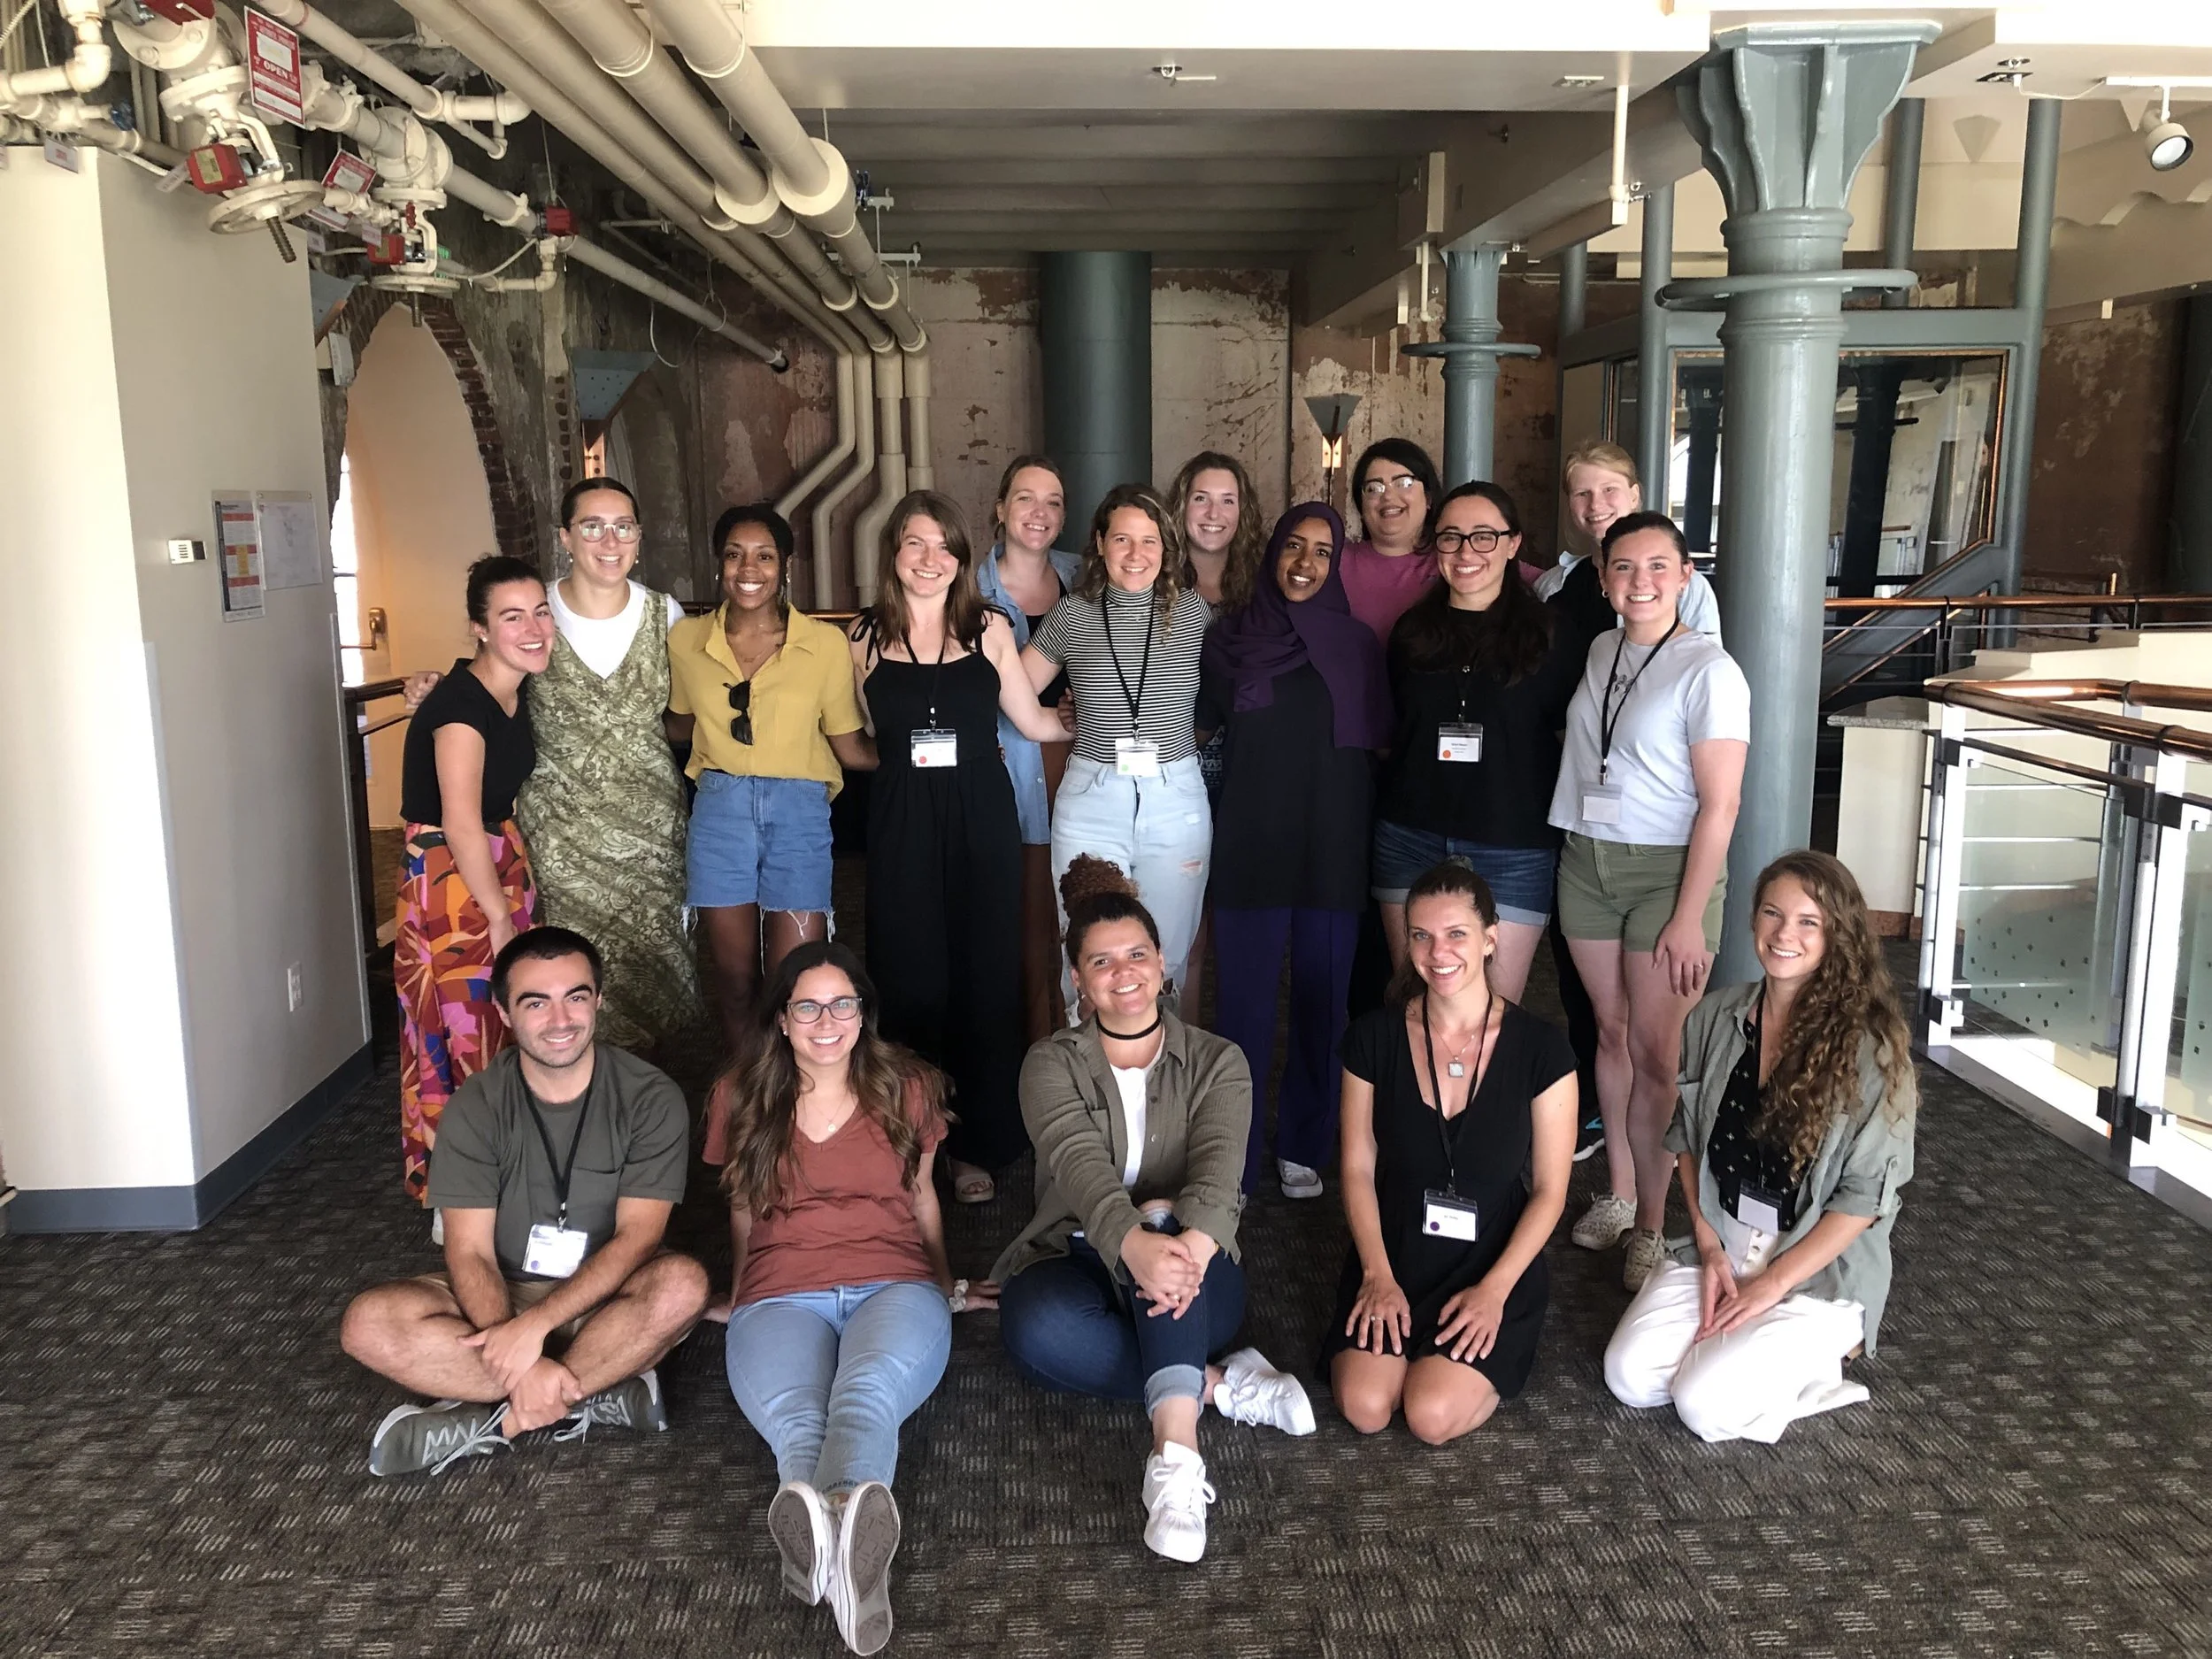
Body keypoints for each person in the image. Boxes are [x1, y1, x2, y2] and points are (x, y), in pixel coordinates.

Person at [995, 859, 1314, 1563]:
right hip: (1078, 1250)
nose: (1124, 972)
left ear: (1163, 961)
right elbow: (1080, 1168)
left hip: (1195, 1264)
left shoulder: (1219, 1060)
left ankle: (1175, 1460)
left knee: (1171, 1235)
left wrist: (1175, 1247)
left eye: (1137, 954)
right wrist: (1135, 1240)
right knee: (1033, 1327)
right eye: (1101, 961)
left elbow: (1219, 1181)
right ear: (1078, 979)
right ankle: (1220, 1383)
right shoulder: (1049, 1064)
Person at [341, 927, 708, 1476]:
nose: (561, 1021)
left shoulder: (650, 1097)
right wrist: (516, 1344)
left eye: (575, 997)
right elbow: (469, 1252)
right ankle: (593, 1388)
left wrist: (534, 1332)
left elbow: (639, 1237)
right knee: (367, 1324)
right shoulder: (476, 1106)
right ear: (505, 1013)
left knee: (683, 1287)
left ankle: (501, 1422)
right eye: (536, 1003)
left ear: (599, 1000)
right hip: (499, 1295)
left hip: (605, 1299)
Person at [717, 941, 984, 1655]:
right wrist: (740, 1293)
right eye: (807, 1006)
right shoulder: (741, 1094)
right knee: (798, 1420)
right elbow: (741, 1209)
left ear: (864, 1013)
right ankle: (855, 1577)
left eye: (843, 1004)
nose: (827, 1020)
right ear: (781, 1018)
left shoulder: (908, 1086)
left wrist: (945, 1281)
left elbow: (922, 1194)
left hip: (893, 1280)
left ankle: (825, 1547)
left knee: (863, 1395)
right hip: (779, 1291)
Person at [1604, 851, 1916, 1442]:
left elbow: (1864, 1199)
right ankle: (1748, 1350)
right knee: (1630, 1376)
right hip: (1725, 1240)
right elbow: (1687, 1139)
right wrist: (1708, 1246)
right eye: (1773, 913)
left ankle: (1826, 1364)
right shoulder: (1714, 1017)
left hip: (1815, 1265)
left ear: (1838, 935)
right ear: (1753, 920)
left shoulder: (1871, 1051)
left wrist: (1772, 1284)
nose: (1784, 934)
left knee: (1702, 1404)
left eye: (1808, 922)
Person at [848, 489, 1073, 1206]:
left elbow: (1033, 722)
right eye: (915, 542)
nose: (930, 558)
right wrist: (894, 770)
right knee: (908, 975)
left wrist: (1107, 722)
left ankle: (979, 1142)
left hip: (982, 814)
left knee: (984, 974)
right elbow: (850, 735)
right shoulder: (862, 638)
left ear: (962, 557)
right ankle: (915, 1138)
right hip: (902, 818)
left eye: (944, 545)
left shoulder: (990, 628)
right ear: (893, 552)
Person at [1549, 511, 1749, 1291]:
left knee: (1657, 1054)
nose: (1640, 581)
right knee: (1609, 1034)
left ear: (1686, 575)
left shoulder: (1709, 669)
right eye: (1624, 567)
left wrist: (1690, 914)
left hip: (1668, 874)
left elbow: (1721, 805)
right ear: (1603, 579)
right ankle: (1621, 1192)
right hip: (1587, 862)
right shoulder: (1603, 649)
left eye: (1658, 565)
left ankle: (1653, 1226)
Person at [1326, 863, 1577, 1442]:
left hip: (1493, 1258)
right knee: (1366, 1406)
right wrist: (1376, 1273)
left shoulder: (1542, 1049)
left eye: (1456, 934)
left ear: (1490, 938)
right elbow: (1357, 1168)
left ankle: (1489, 1337)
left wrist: (1495, 1292)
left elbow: (1551, 1191)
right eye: (1422, 935)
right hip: (1395, 1251)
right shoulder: (1373, 1037)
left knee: (1430, 1414)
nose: (1438, 952)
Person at [1197, 503, 1388, 1198]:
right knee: (1241, 1011)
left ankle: (1305, 1141)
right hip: (1250, 842)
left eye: (1322, 551)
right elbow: (1194, 731)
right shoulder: (1228, 639)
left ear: (1336, 564)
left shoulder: (1359, 644)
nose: (1305, 563)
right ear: (1273, 551)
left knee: (1322, 1006)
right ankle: (1234, 1153)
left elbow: (1380, 748)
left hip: (1333, 847)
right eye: (1294, 547)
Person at [667, 503, 875, 1060]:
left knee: (795, 981)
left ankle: (796, 1098)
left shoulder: (823, 645)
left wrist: (934, 754)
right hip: (720, 811)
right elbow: (677, 724)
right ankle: (748, 1099)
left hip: (799, 813)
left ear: (785, 566)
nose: (748, 569)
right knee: (735, 981)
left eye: (764, 556)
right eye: (734, 555)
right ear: (719, 564)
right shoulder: (686, 640)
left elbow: (849, 745)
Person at [1372, 482, 1584, 1001]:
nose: (1467, 552)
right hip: (1410, 836)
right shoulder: (1411, 632)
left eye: (1484, 536)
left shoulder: (1553, 636)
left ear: (1513, 544)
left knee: (1495, 1012)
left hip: (1514, 844)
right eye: (1451, 537)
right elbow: (1393, 732)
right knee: (1417, 1004)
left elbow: (1570, 742)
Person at [514, 476, 701, 1051]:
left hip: (651, 831)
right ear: (566, 537)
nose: (610, 540)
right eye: (592, 526)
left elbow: (688, 710)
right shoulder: (537, 614)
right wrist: (435, 689)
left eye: (623, 526)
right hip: (562, 833)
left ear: (639, 538)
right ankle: (577, 1092)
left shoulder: (665, 613)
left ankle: (655, 1096)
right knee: (571, 972)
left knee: (657, 966)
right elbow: (489, 686)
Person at [394, 554, 551, 1203]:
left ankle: (507, 1174)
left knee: (505, 1018)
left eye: (540, 612)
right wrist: (497, 915)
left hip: (497, 860)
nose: (533, 628)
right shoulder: (461, 708)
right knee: (465, 1028)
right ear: (480, 628)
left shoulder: (512, 686)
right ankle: (462, 1191)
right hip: (455, 879)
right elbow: (459, 822)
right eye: (512, 617)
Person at [1022, 484, 1215, 1002]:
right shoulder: (1074, 613)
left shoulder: (1195, 613)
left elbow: (1227, 692)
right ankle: (1085, 1057)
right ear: (1100, 544)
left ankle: (1160, 1056)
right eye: (1122, 539)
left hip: (1174, 796)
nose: (1135, 554)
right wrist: (1059, 721)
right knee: (1089, 954)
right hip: (1093, 799)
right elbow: (1014, 687)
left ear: (1166, 549)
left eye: (1149, 541)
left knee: (1165, 960)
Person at [973, 455, 1084, 1042]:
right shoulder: (968, 589)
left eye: (1053, 502)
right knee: (1021, 922)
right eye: (1025, 498)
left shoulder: (1087, 578)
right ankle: (1031, 1047)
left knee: (1074, 913)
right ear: (1000, 508)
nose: (1039, 512)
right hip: (1007, 769)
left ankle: (1072, 1042)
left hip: (1081, 766)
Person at [1165, 450, 1266, 1021]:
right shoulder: (1151, 578)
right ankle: (1180, 1040)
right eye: (1201, 498)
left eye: (1228, 500)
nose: (1213, 512)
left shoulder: (1264, 587)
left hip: (1247, 767)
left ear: (1243, 511)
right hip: (1173, 767)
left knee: (1238, 916)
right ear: (1180, 506)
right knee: (1187, 924)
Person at [1536, 442, 1723, 647]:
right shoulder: (1551, 586)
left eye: (1609, 489)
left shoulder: (1685, 587)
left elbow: (1703, 658)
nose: (1595, 504)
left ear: (1634, 496)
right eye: (1582, 493)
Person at [1339, 438, 1442, 643]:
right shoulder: (1335, 562)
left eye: (1404, 483)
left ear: (1429, 498)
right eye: (1373, 488)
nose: (1388, 496)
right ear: (1361, 506)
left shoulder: (1452, 560)